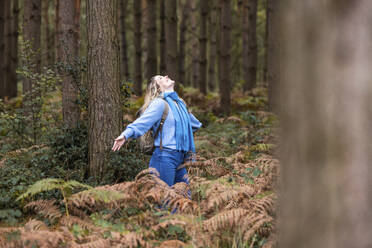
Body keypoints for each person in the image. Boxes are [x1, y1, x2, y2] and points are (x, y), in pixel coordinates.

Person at [111, 75, 202, 190]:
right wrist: (125, 134)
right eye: (160, 78)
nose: (166, 76)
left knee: (183, 200)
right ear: (158, 88)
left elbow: (195, 125)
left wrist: (183, 123)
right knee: (164, 200)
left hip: (181, 158)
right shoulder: (159, 103)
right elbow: (143, 122)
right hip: (164, 158)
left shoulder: (180, 105)